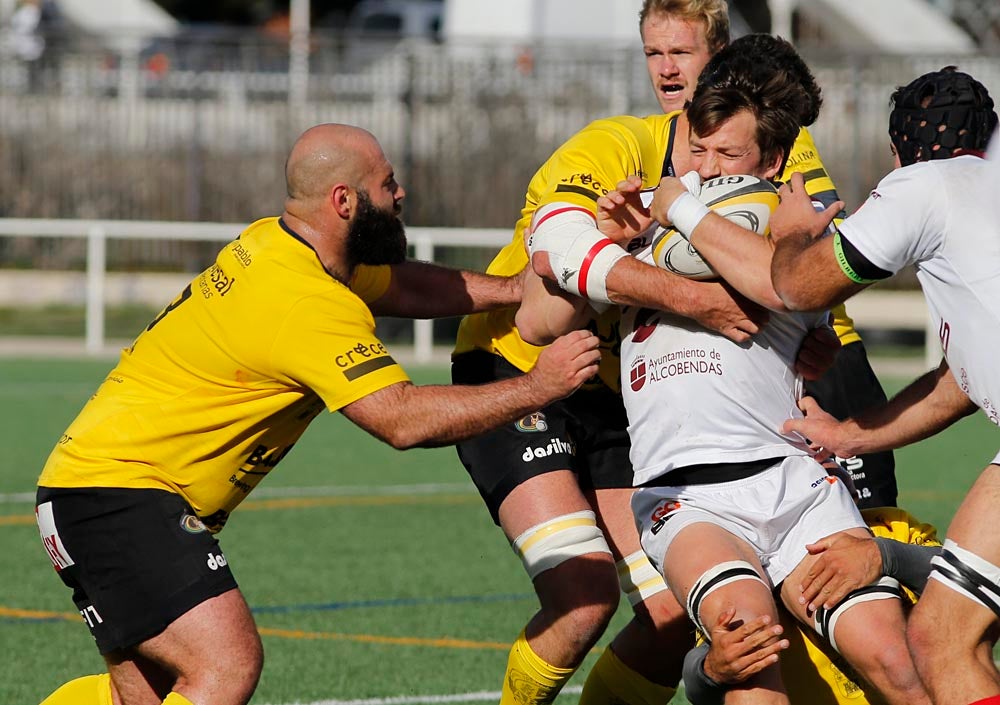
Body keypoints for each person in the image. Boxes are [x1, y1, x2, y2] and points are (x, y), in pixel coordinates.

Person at [33, 123, 603, 705]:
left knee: (142, 697)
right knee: (225, 666)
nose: (401, 194)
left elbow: (401, 288)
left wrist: (514, 289)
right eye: (388, 183)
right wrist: (538, 385)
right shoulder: (306, 304)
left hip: (90, 492)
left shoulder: (279, 244)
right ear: (344, 201)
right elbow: (400, 419)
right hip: (118, 495)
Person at [568, 49, 927, 705]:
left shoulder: (792, 229)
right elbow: (540, 316)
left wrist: (676, 211)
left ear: (771, 165)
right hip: (689, 496)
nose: (703, 171)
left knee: (896, 660)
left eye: (726, 157)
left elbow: (779, 283)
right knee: (749, 645)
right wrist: (598, 244)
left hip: (795, 482)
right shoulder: (640, 215)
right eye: (696, 151)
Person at [766, 66, 1000, 705]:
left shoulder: (921, 184)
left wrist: (788, 232)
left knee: (946, 640)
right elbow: (962, 383)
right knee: (942, 635)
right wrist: (847, 435)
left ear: (899, 153)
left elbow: (798, 287)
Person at [641, 0, 898, 509]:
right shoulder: (638, 139)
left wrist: (814, 321)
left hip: (818, 364)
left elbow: (832, 252)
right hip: (709, 373)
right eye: (654, 52)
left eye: (682, 52)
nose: (668, 68)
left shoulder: (780, 142)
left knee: (864, 538)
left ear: (716, 58)